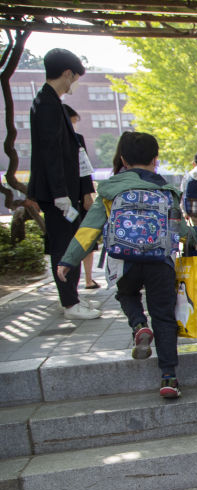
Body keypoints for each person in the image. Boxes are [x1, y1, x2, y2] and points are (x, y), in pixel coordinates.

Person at [57, 132, 197, 399]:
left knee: (126, 293)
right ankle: (169, 378)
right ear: (155, 160)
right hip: (160, 264)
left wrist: (68, 261)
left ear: (123, 160)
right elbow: (179, 232)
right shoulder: (167, 191)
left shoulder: (109, 190)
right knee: (164, 317)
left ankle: (139, 325)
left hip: (124, 263)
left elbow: (89, 229)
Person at [26, 49, 100, 320]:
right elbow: (51, 152)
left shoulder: (50, 102)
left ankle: (72, 299)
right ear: (67, 73)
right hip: (58, 192)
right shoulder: (46, 104)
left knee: (70, 242)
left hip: (63, 191)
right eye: (75, 77)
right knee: (65, 245)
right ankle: (70, 304)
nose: (74, 84)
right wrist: (60, 194)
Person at [63, 105, 100, 290]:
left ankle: (88, 278)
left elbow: (84, 169)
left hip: (78, 197)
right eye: (72, 121)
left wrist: (87, 194)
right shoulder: (49, 140)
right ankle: (69, 284)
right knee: (66, 241)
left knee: (86, 237)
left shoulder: (77, 140)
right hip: (60, 199)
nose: (73, 126)